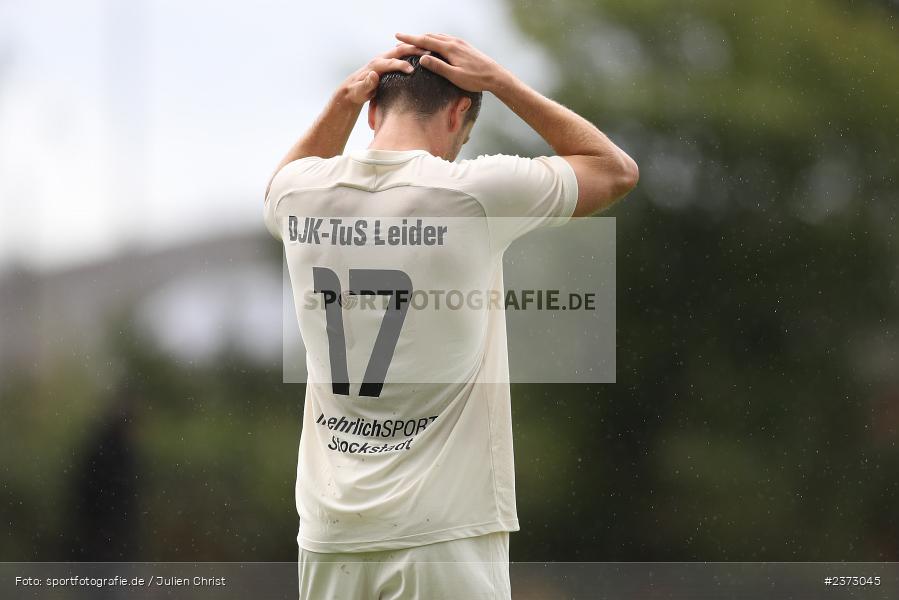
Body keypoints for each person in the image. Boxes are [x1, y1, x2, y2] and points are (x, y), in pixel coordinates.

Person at [264, 32, 638, 599]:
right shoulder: (474, 194)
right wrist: (505, 83)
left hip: (330, 535)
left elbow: (280, 183)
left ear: (369, 111)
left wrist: (340, 102)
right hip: (442, 531)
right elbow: (615, 171)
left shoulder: (299, 195)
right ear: (461, 109)